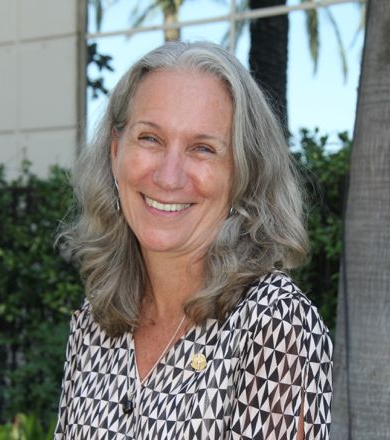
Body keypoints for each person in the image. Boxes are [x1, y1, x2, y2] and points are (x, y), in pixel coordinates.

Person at [55, 41, 333, 439]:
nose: (169, 177)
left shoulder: (275, 326)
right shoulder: (95, 322)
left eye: (202, 148)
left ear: (242, 176)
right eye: (150, 139)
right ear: (116, 153)